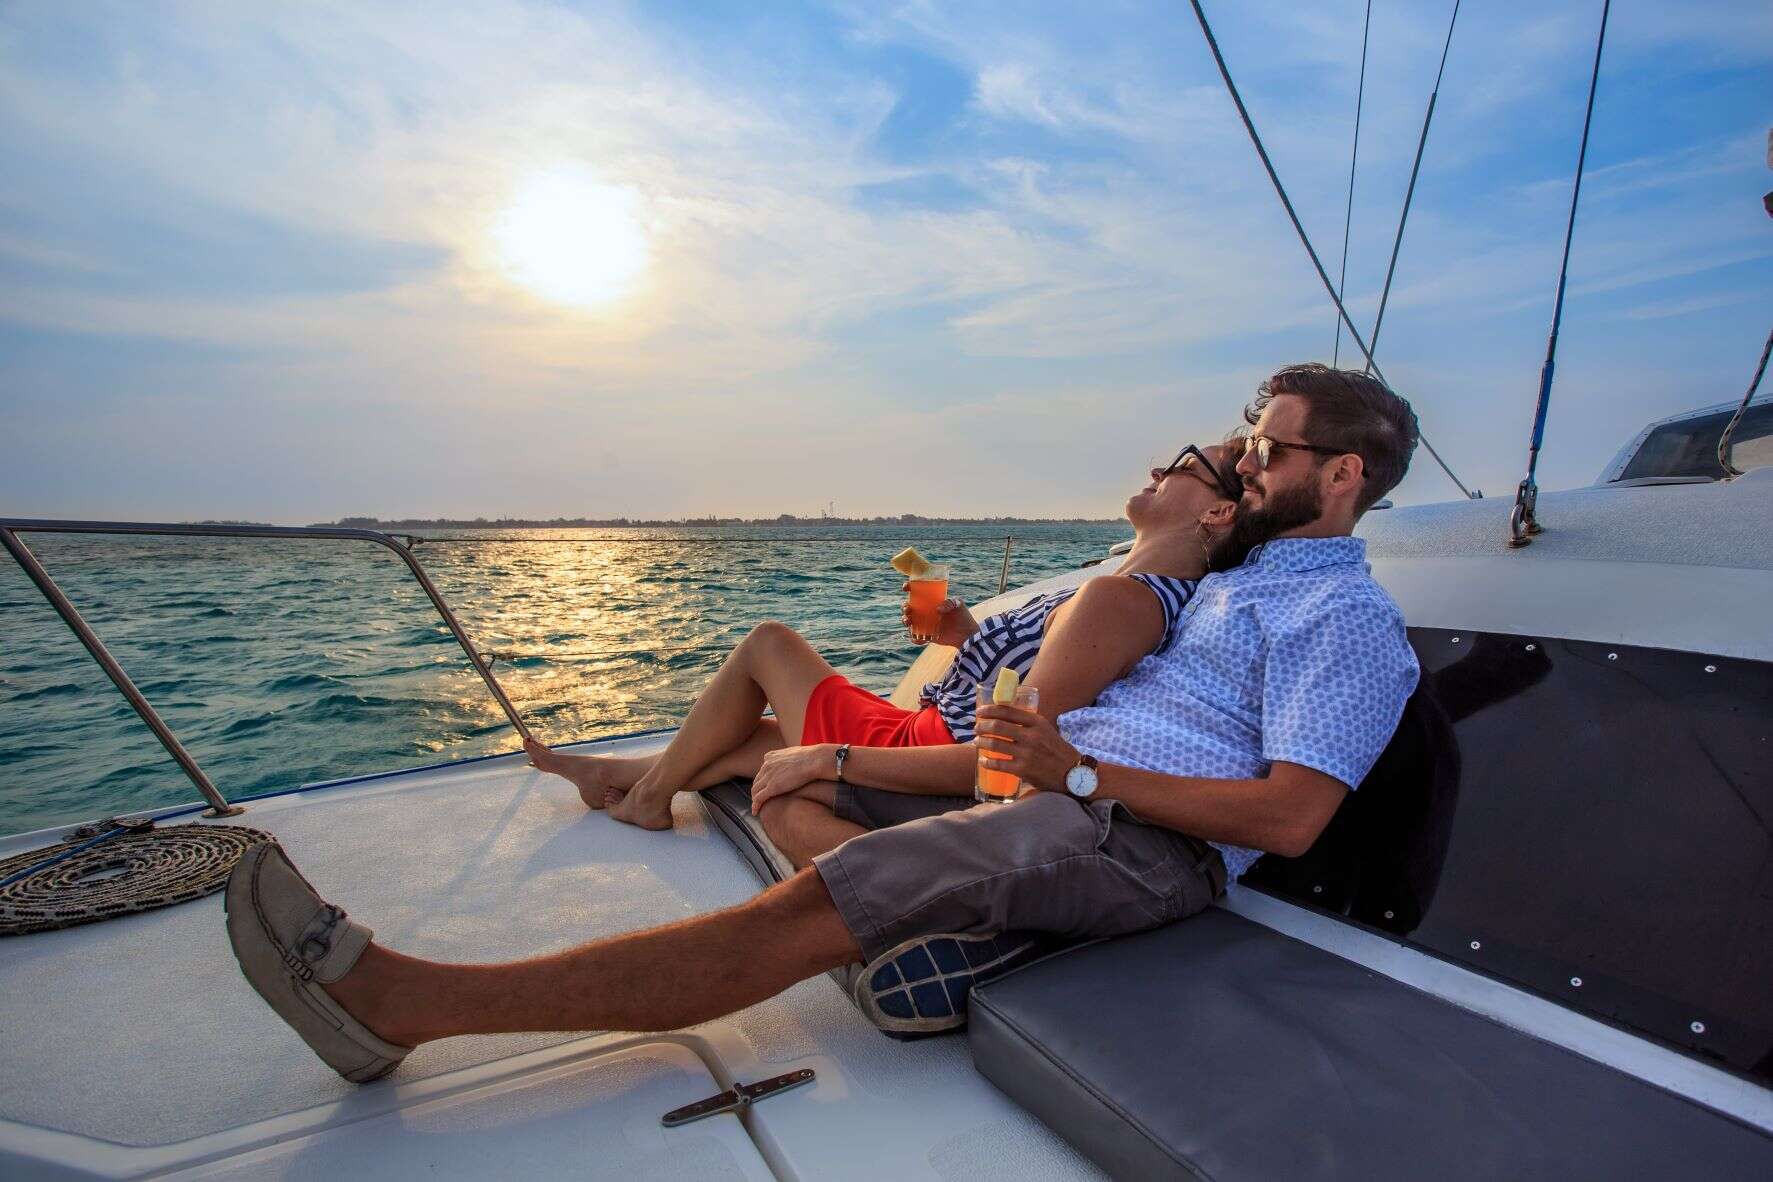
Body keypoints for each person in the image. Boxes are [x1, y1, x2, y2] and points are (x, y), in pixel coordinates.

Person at [224, 363, 1423, 1080]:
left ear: (1346, 477)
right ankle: (946, 932)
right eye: (1250, 444)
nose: (1249, 463)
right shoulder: (1238, 583)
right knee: (793, 784)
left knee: (815, 901)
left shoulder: (1346, 622)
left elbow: (1294, 817)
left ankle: (405, 1004)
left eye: (1270, 449)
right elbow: (1126, 593)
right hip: (1066, 801)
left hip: (1133, 843)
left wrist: (1085, 777)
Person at [523, 439, 1247, 831]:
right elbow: (1023, 679)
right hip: (929, 724)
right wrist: (960, 630)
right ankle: (631, 779)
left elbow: (1009, 743)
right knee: (758, 737)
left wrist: (842, 759)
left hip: (932, 746)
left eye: (1187, 465)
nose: (1160, 466)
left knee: (769, 644)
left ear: (1216, 515)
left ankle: (646, 795)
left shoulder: (1121, 598)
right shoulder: (1120, 591)